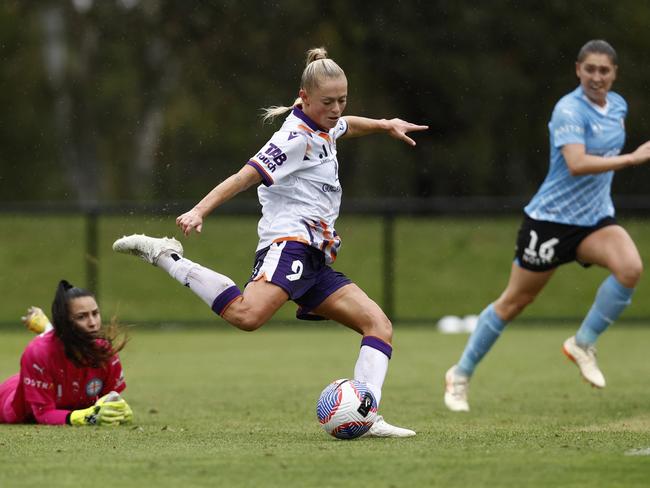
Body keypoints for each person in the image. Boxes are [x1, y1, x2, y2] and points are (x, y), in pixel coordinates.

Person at [113, 46, 427, 437]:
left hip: (315, 259)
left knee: (378, 326)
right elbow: (243, 176)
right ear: (304, 98)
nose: (336, 109)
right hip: (289, 244)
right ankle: (166, 255)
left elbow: (348, 125)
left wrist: (384, 124)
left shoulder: (327, 125)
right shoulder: (294, 138)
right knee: (247, 316)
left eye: (342, 100)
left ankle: (365, 415)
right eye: (327, 102)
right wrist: (199, 210)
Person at [444, 39, 650, 412]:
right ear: (578, 70)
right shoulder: (569, 109)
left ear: (615, 73)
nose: (597, 77)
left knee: (630, 268)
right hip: (550, 222)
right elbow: (577, 163)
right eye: (590, 69)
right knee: (514, 302)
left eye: (604, 70)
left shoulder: (618, 106)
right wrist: (631, 159)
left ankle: (582, 343)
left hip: (594, 220)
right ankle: (460, 374)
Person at [0, 280, 133, 426]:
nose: (93, 323)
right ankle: (48, 329)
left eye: (95, 313)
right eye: (82, 317)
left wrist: (119, 409)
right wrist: (88, 417)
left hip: (51, 377)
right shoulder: (38, 352)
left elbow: (110, 399)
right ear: (64, 321)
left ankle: (47, 328)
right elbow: (43, 414)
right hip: (12, 399)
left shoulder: (105, 351)